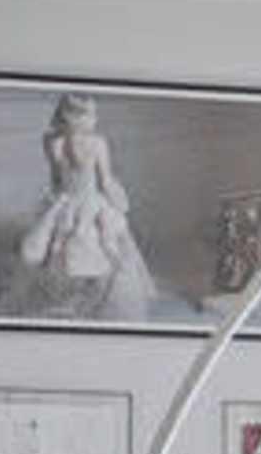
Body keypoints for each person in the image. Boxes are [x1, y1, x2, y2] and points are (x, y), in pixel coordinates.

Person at [11, 90, 167, 323]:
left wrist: (55, 207)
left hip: (65, 203)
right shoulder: (97, 143)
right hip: (92, 205)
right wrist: (118, 201)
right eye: (92, 114)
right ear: (80, 117)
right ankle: (93, 302)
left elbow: (56, 181)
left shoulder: (53, 143)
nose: (95, 119)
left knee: (60, 253)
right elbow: (105, 181)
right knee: (107, 251)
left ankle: (69, 301)